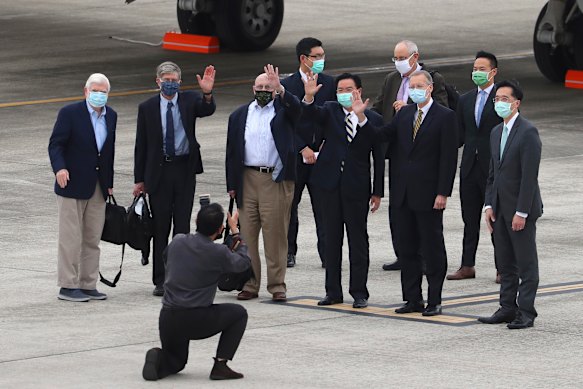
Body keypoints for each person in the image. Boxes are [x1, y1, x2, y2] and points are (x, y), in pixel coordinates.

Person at [353, 70, 458, 316]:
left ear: (430, 88)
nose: (415, 90)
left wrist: (443, 192)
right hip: (402, 194)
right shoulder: (404, 114)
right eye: (412, 86)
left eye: (420, 85)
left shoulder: (446, 117)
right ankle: (412, 299)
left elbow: (448, 159)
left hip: (429, 194)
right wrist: (362, 118)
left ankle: (434, 299)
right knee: (407, 249)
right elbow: (380, 137)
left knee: (432, 249)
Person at [303, 73, 386, 309]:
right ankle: (333, 291)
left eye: (348, 89)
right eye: (339, 90)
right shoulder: (329, 111)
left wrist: (377, 191)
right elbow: (307, 116)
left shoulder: (372, 118)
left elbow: (378, 158)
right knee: (331, 240)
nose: (343, 94)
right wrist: (308, 97)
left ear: (359, 91)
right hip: (329, 185)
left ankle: (359, 292)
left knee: (358, 240)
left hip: (357, 187)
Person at [133, 61, 216, 296]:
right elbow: (142, 145)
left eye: (174, 81)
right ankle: (161, 279)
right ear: (158, 81)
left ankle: (180, 276)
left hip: (183, 170)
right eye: (166, 80)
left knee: (181, 228)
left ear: (180, 82)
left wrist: (207, 92)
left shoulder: (189, 100)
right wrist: (140, 179)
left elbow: (207, 109)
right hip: (159, 172)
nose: (170, 84)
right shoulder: (147, 107)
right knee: (160, 227)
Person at [142, 203, 251, 381]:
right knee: (239, 313)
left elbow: (166, 257)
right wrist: (236, 234)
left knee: (177, 363)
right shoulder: (218, 252)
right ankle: (220, 366)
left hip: (168, 316)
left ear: (196, 221)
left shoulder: (178, 241)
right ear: (220, 228)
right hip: (196, 317)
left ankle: (159, 357)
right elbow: (243, 263)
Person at [371, 39, 449, 272]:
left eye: (402, 58)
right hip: (397, 152)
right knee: (399, 206)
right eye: (395, 58)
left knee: (423, 209)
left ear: (415, 58)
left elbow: (442, 111)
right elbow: (379, 107)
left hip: (423, 154)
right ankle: (403, 253)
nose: (398, 63)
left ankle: (424, 255)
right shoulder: (391, 79)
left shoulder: (431, 81)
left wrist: (409, 109)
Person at [225, 64, 301, 302]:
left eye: (268, 87)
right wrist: (232, 184)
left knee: (275, 234)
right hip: (247, 178)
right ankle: (250, 283)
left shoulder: (283, 110)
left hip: (274, 178)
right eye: (260, 87)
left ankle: (277, 285)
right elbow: (231, 151)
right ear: (252, 89)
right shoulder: (239, 115)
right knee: (247, 234)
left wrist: (281, 90)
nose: (264, 90)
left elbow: (298, 110)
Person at [478, 80, 542, 329]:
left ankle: (526, 311)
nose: (500, 103)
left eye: (505, 99)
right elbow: (493, 174)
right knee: (505, 262)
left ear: (517, 103)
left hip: (520, 210)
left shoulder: (528, 132)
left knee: (526, 263)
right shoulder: (496, 132)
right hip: (500, 209)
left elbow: (529, 177)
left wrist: (522, 212)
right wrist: (488, 205)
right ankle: (507, 307)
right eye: (497, 99)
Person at [48, 73, 116, 302]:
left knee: (92, 237)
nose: (99, 95)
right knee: (70, 237)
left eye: (103, 91)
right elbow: (56, 144)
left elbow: (108, 153)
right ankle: (68, 285)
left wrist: (109, 183)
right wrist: (60, 169)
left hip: (97, 186)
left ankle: (88, 284)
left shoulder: (111, 116)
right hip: (71, 184)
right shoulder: (70, 114)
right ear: (86, 91)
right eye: (95, 90)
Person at [447, 51, 502, 282]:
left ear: (493, 72)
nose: (477, 73)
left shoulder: (502, 99)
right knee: (469, 219)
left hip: (492, 168)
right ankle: (467, 265)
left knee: (496, 219)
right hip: (469, 166)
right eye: (475, 69)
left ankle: (503, 267)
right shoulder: (466, 99)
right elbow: (459, 135)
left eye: (482, 69)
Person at [281, 37, 336, 268]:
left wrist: (324, 145)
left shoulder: (330, 83)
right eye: (317, 56)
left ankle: (327, 253)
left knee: (324, 207)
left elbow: (334, 118)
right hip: (296, 155)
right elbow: (283, 124)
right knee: (290, 205)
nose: (322, 60)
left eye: (323, 55)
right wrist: (303, 147)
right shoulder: (288, 86)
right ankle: (289, 251)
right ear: (304, 59)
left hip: (322, 155)